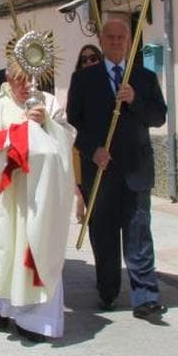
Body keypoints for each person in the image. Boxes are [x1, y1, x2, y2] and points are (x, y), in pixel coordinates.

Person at [66, 15, 168, 320]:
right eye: (109, 37)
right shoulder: (84, 79)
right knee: (104, 235)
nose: (115, 42)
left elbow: (158, 116)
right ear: (101, 40)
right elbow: (72, 124)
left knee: (139, 233)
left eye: (120, 38)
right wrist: (92, 149)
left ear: (128, 42)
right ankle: (108, 289)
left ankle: (146, 296)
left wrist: (135, 99)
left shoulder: (144, 79)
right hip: (100, 171)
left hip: (136, 170)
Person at [0, 60, 76, 342]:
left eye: (29, 78)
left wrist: (47, 124)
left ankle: (36, 320)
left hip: (41, 195)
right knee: (7, 251)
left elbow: (67, 137)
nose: (24, 84)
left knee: (38, 250)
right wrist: (23, 132)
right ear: (7, 77)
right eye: (17, 78)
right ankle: (4, 303)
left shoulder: (49, 102)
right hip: (11, 193)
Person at [71, 44, 103, 223]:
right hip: (85, 149)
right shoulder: (78, 83)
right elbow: (74, 121)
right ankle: (82, 205)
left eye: (93, 58)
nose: (89, 62)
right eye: (84, 60)